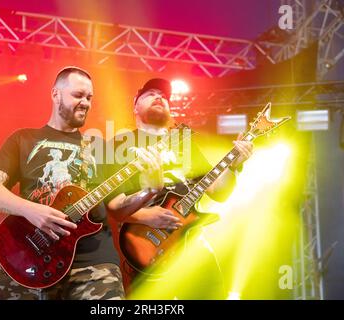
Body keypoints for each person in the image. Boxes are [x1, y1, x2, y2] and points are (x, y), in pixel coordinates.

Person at [0, 66, 162, 300]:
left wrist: (150, 190)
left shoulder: (100, 148)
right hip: (29, 254)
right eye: (78, 95)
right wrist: (31, 210)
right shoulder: (23, 139)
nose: (85, 102)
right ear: (55, 94)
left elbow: (117, 208)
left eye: (89, 97)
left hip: (94, 264)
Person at [105, 78, 254, 299]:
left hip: (189, 239)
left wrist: (235, 166)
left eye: (164, 96)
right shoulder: (119, 144)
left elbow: (219, 192)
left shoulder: (184, 141)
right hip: (144, 242)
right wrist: (145, 216)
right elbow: (111, 206)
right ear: (135, 105)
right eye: (151, 93)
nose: (160, 97)